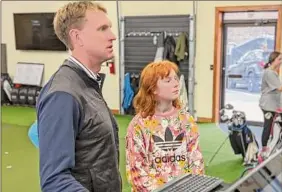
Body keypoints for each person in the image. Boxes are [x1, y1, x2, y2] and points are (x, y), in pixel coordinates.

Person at [36, 1, 121, 192]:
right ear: (77, 37)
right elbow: (54, 181)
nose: (112, 36)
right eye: (102, 29)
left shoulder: (87, 84)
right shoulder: (62, 95)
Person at [125, 60, 205, 192]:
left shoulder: (187, 120)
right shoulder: (139, 125)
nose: (176, 84)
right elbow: (137, 174)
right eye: (168, 81)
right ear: (153, 88)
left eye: (176, 78)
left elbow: (196, 162)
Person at [259, 51, 282, 153]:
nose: (281, 61)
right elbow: (280, 88)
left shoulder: (273, 71)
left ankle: (271, 147)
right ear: (273, 61)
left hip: (273, 104)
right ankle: (264, 149)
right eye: (279, 59)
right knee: (268, 127)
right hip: (268, 105)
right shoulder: (269, 73)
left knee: (273, 127)